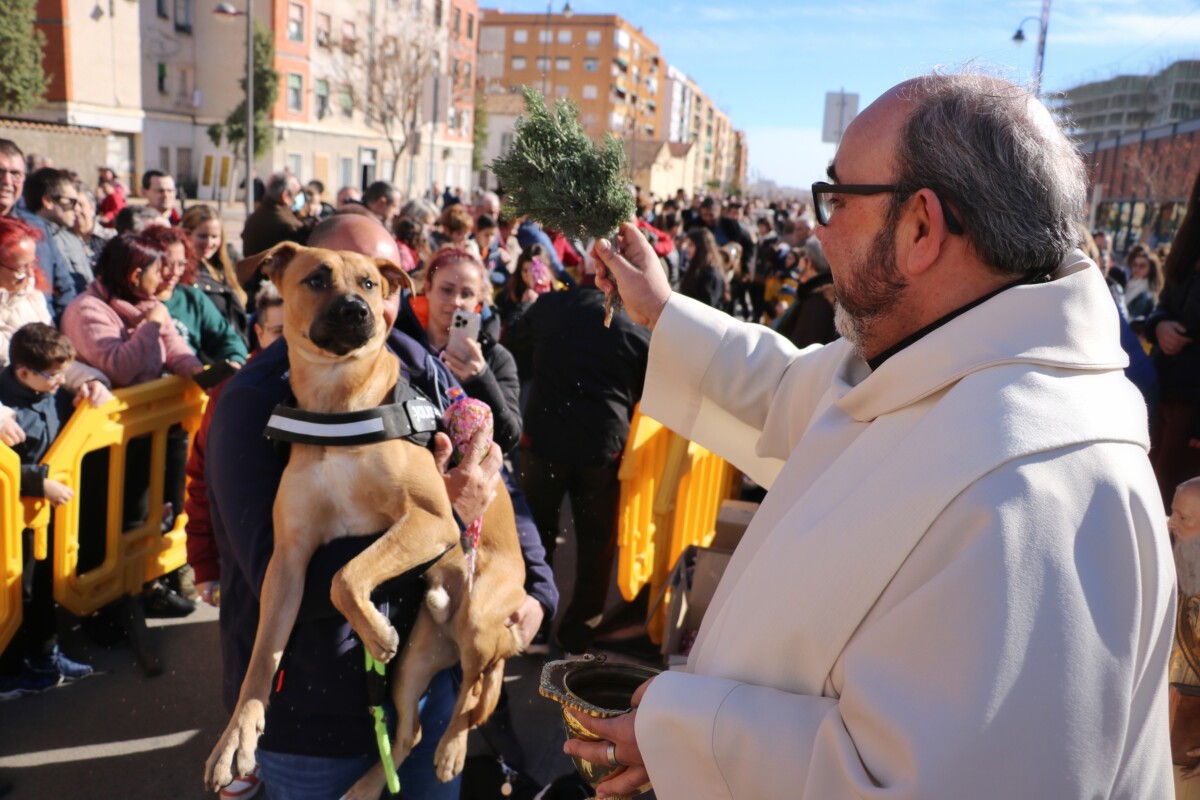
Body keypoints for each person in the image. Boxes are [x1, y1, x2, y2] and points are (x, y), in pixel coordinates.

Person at [575, 72, 1174, 798]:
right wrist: (661, 311)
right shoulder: (941, 358)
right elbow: (788, 391)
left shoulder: (1039, 493)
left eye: (836, 198)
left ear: (921, 226)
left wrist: (686, 732)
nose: (817, 227)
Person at [206, 214, 556, 800]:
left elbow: (494, 476)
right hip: (313, 720)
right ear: (280, 281)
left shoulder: (420, 367)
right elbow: (275, 567)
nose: (353, 300)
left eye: (372, 283)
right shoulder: (249, 405)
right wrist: (250, 703)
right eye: (322, 279)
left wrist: (538, 590)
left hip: (423, 685)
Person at [502, 249, 650, 654]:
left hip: (546, 443)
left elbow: (512, 341)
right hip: (600, 449)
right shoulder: (635, 324)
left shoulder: (553, 305)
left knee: (537, 538)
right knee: (594, 550)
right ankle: (574, 636)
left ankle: (534, 628)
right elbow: (647, 389)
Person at [0, 323, 96, 699]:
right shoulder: (7, 413)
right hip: (13, 523)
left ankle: (45, 655)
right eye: (53, 376)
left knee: (41, 589)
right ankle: (10, 671)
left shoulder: (47, 392)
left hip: (43, 519)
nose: (60, 381)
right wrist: (40, 484)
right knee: (16, 593)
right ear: (23, 373)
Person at [186, 282, 284, 612]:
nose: (287, 340)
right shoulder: (231, 392)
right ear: (258, 332)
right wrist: (204, 566)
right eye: (278, 330)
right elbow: (202, 478)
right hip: (244, 569)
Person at [404, 247, 522, 454]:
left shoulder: (496, 358)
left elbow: (509, 437)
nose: (456, 302)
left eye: (466, 294)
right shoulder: (398, 342)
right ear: (428, 289)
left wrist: (481, 379)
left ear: (479, 301)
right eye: (447, 290)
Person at [0, 218, 111, 403]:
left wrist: (89, 380)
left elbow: (50, 359)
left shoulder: (33, 299)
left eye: (32, 264)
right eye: (20, 268)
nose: (29, 274)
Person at [1147, 166, 1200, 507]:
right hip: (1163, 393)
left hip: (1193, 411)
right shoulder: (1189, 239)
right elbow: (1163, 305)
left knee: (1177, 511)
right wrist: (1159, 326)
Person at [141, 225, 248, 367]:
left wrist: (234, 360)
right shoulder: (130, 301)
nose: (175, 272)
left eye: (181, 264)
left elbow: (228, 339)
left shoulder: (192, 298)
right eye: (167, 264)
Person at [0, 140, 75, 321]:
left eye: (16, 174)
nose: (7, 182)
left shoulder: (38, 228)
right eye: (0, 172)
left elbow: (65, 288)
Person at [1168, 477, 1200, 794]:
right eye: (1173, 513)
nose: (1172, 525)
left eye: (1183, 519)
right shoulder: (1166, 568)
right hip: (1152, 741)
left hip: (1189, 761)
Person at [180, 205, 250, 345]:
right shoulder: (182, 272)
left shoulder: (223, 265)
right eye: (202, 236)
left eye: (214, 236)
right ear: (187, 235)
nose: (209, 243)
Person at [239, 172, 309, 301]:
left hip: (254, 288)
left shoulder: (257, 215)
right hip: (273, 293)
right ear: (285, 196)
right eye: (297, 193)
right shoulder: (287, 224)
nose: (300, 198)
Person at [23, 168, 92, 295]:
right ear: (48, 201)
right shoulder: (27, 240)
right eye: (71, 202)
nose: (76, 209)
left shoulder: (72, 238)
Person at [677, 227, 725, 309]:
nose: (687, 249)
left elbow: (709, 306)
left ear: (701, 248)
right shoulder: (694, 268)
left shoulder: (712, 274)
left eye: (691, 245)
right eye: (687, 244)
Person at [1128, 249, 1164, 320]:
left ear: (1151, 270)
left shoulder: (1147, 296)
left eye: (1142, 266)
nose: (1137, 268)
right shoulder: (1129, 284)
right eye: (1135, 265)